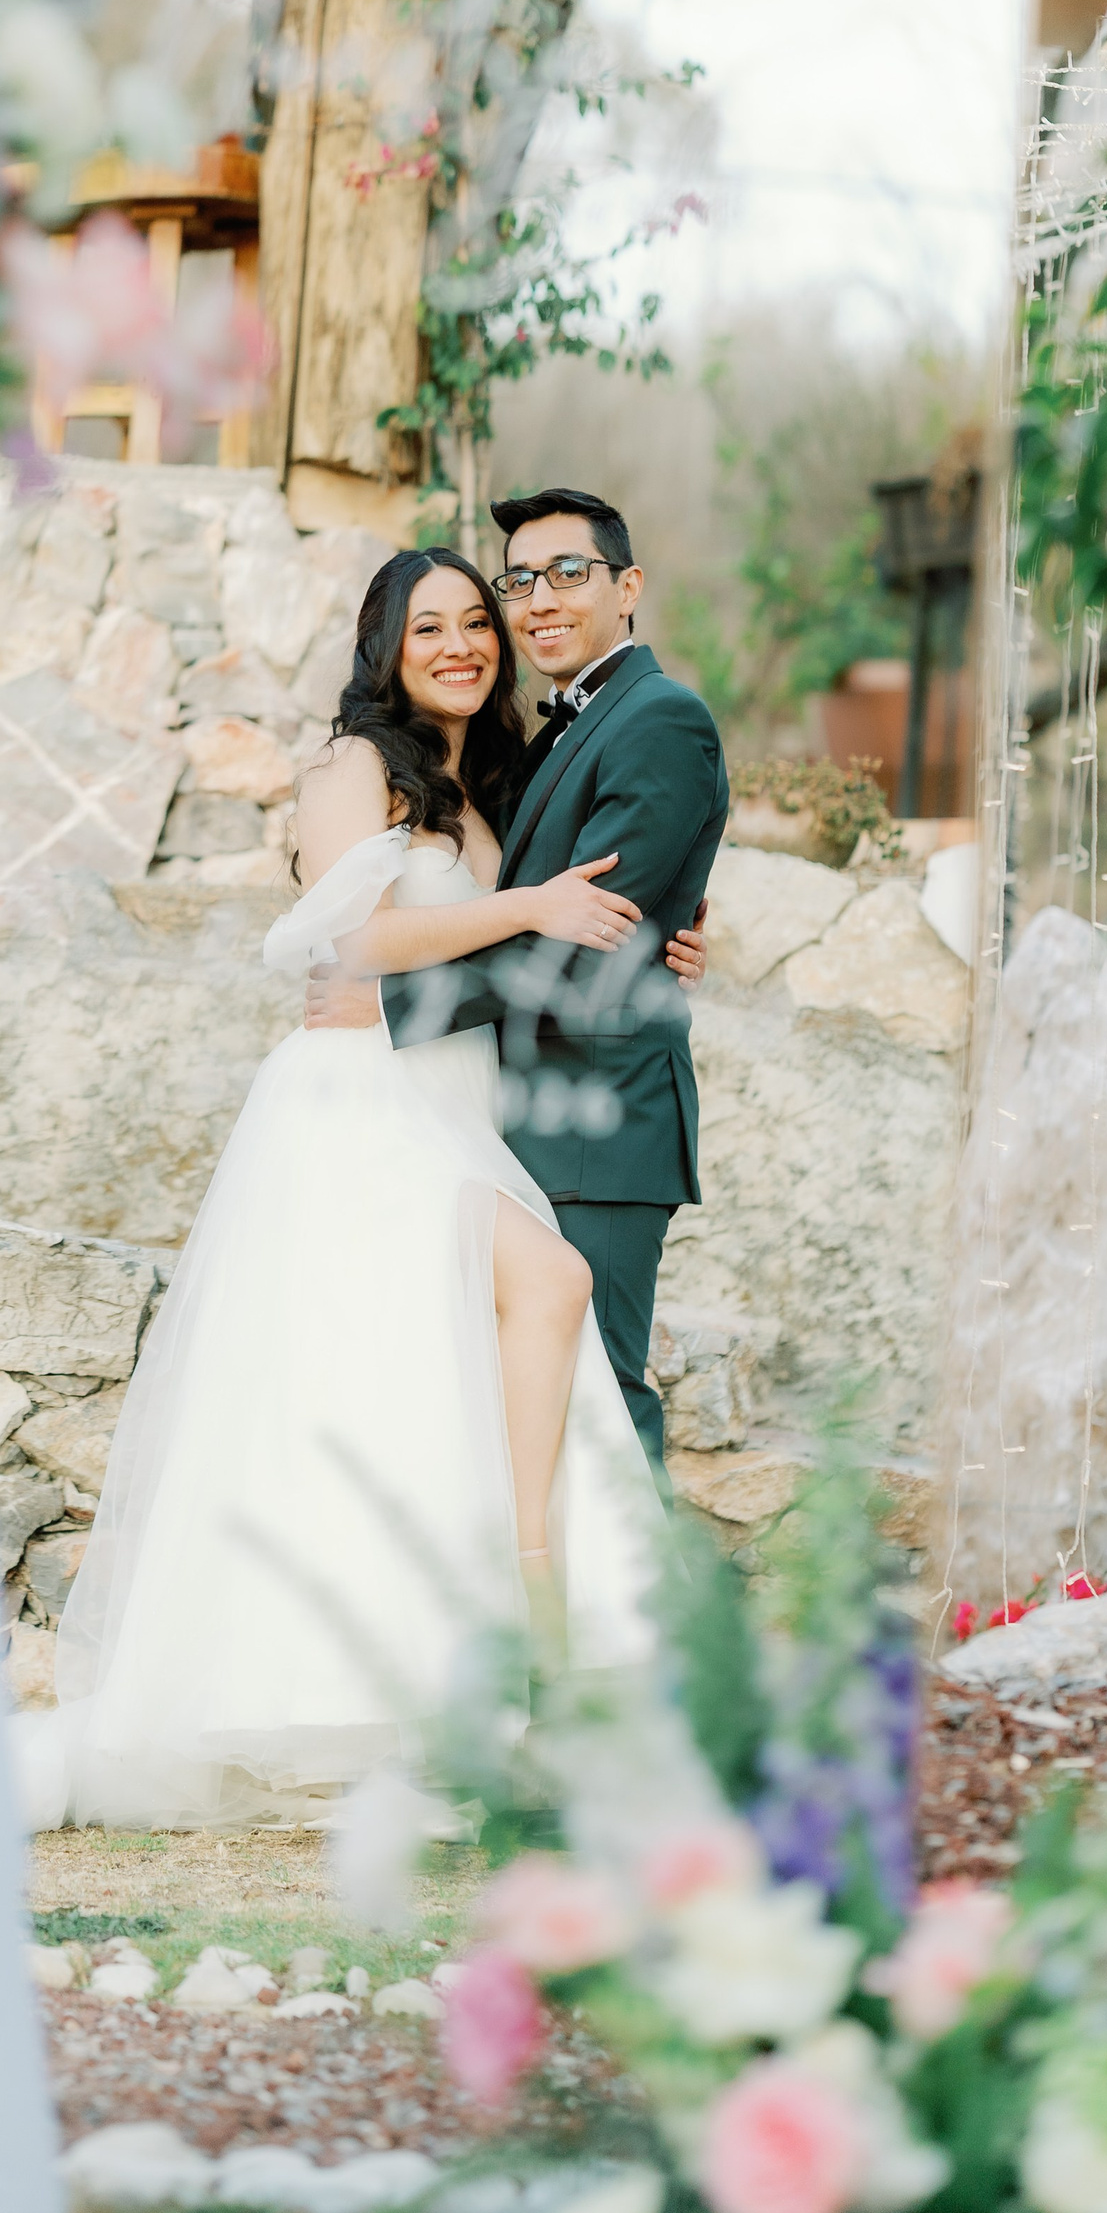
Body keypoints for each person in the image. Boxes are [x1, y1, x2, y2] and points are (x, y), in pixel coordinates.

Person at [17, 544, 710, 1831]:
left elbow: (567, 916)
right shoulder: (354, 765)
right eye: (428, 626)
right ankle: (518, 1604)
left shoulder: (489, 778)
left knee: (421, 1381)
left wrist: (660, 936)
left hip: (450, 1100)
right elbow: (356, 941)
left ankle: (469, 1662)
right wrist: (529, 909)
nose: (461, 644)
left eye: (476, 622)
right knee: (533, 1289)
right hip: (357, 1097)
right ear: (383, 646)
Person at [308, 489, 727, 1479]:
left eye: (570, 573)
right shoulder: (541, 742)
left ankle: (646, 1590)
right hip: (503, 1112)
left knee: (600, 1398)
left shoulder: (659, 718)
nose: (541, 599)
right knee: (518, 1399)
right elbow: (558, 904)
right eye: (522, 580)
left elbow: (593, 938)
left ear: (628, 587)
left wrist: (394, 1004)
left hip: (597, 1118)